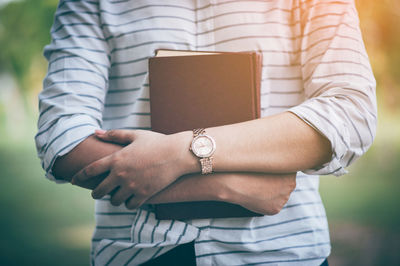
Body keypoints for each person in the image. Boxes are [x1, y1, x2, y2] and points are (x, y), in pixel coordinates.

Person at [35, 0, 377, 265]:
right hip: (140, 254)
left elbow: (351, 114)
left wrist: (180, 154)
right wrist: (231, 186)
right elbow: (63, 140)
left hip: (282, 252)